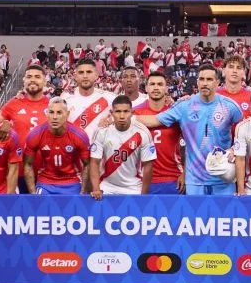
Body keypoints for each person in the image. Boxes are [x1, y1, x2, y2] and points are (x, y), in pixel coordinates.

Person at [133, 64, 242, 196]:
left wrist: (234, 149)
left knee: (223, 216)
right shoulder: (184, 106)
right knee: (196, 216)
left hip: (223, 178)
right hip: (194, 180)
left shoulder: (230, 106)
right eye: (201, 79)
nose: (205, 83)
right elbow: (155, 120)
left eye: (209, 79)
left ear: (217, 82)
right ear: (197, 82)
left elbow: (243, 132)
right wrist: (125, 118)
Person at [88, 96, 155, 197]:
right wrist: (96, 189)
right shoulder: (102, 132)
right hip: (107, 186)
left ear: (132, 113)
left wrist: (143, 195)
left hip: (134, 187)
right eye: (118, 111)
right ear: (112, 113)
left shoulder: (143, 132)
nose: (122, 116)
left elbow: (148, 166)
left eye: (126, 111)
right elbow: (94, 162)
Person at [24, 98, 91, 195]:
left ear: (67, 114)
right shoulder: (35, 134)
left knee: (74, 209)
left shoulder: (79, 135)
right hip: (45, 183)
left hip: (72, 181)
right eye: (51, 112)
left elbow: (87, 164)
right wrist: (33, 193)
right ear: (47, 114)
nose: (54, 117)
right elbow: (27, 164)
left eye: (59, 113)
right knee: (40, 208)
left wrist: (83, 191)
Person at [133, 72, 184, 194]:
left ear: (166, 88)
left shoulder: (176, 114)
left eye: (160, 84)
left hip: (173, 178)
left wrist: (185, 173)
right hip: (141, 180)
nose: (156, 87)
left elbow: (191, 145)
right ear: (146, 88)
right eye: (152, 84)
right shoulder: (135, 112)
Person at [64, 58, 116, 139]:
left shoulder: (110, 98)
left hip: (99, 150)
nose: (85, 76)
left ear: (96, 75)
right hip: (72, 149)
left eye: (89, 72)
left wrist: (112, 119)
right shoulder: (65, 98)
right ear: (75, 76)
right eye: (81, 72)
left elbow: (128, 116)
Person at [0, 64, 50, 142]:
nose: (32, 80)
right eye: (29, 77)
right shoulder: (13, 104)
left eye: (37, 77)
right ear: (24, 81)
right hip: (19, 153)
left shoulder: (53, 106)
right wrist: (0, 127)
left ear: (45, 82)